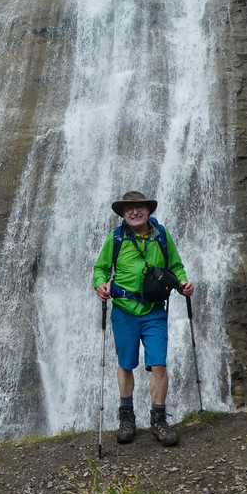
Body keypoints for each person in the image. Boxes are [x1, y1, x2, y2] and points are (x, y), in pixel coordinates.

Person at [93, 190, 195, 447]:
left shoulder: (161, 236)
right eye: (129, 209)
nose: (134, 212)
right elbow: (101, 268)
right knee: (126, 364)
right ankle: (126, 417)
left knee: (158, 364)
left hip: (154, 310)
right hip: (124, 310)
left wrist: (183, 282)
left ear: (148, 210)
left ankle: (158, 419)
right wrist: (100, 284)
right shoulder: (116, 238)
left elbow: (176, 265)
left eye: (139, 208)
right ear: (123, 214)